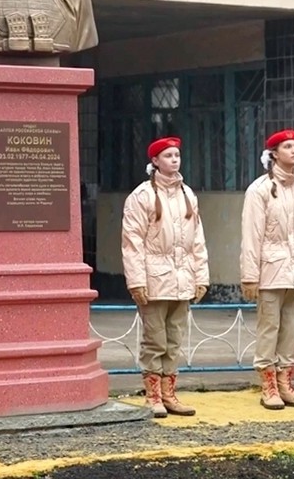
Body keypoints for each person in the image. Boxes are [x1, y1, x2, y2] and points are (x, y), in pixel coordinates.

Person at [121, 137, 209, 418]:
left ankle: (169, 393)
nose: (174, 160)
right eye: (168, 155)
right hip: (154, 279)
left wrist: (201, 276)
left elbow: (197, 240)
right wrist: (137, 281)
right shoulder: (142, 196)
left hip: (183, 278)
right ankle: (153, 395)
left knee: (174, 339)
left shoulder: (187, 194)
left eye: (177, 155)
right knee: (155, 340)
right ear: (155, 161)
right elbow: (132, 242)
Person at [240, 130, 294, 410]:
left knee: (291, 330)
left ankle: (285, 382)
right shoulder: (260, 190)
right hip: (271, 270)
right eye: (287, 147)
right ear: (274, 154)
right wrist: (250, 276)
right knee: (269, 328)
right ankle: (268, 385)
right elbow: (251, 235)